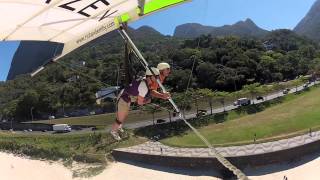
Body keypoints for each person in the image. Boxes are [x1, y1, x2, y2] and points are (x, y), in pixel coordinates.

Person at [110, 67, 170, 140]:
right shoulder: (144, 86)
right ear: (150, 76)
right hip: (124, 98)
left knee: (124, 115)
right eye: (156, 76)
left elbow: (151, 91)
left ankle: (118, 127)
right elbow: (140, 102)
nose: (157, 78)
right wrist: (147, 101)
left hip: (127, 98)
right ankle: (113, 131)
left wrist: (162, 95)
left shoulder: (147, 80)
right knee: (120, 118)